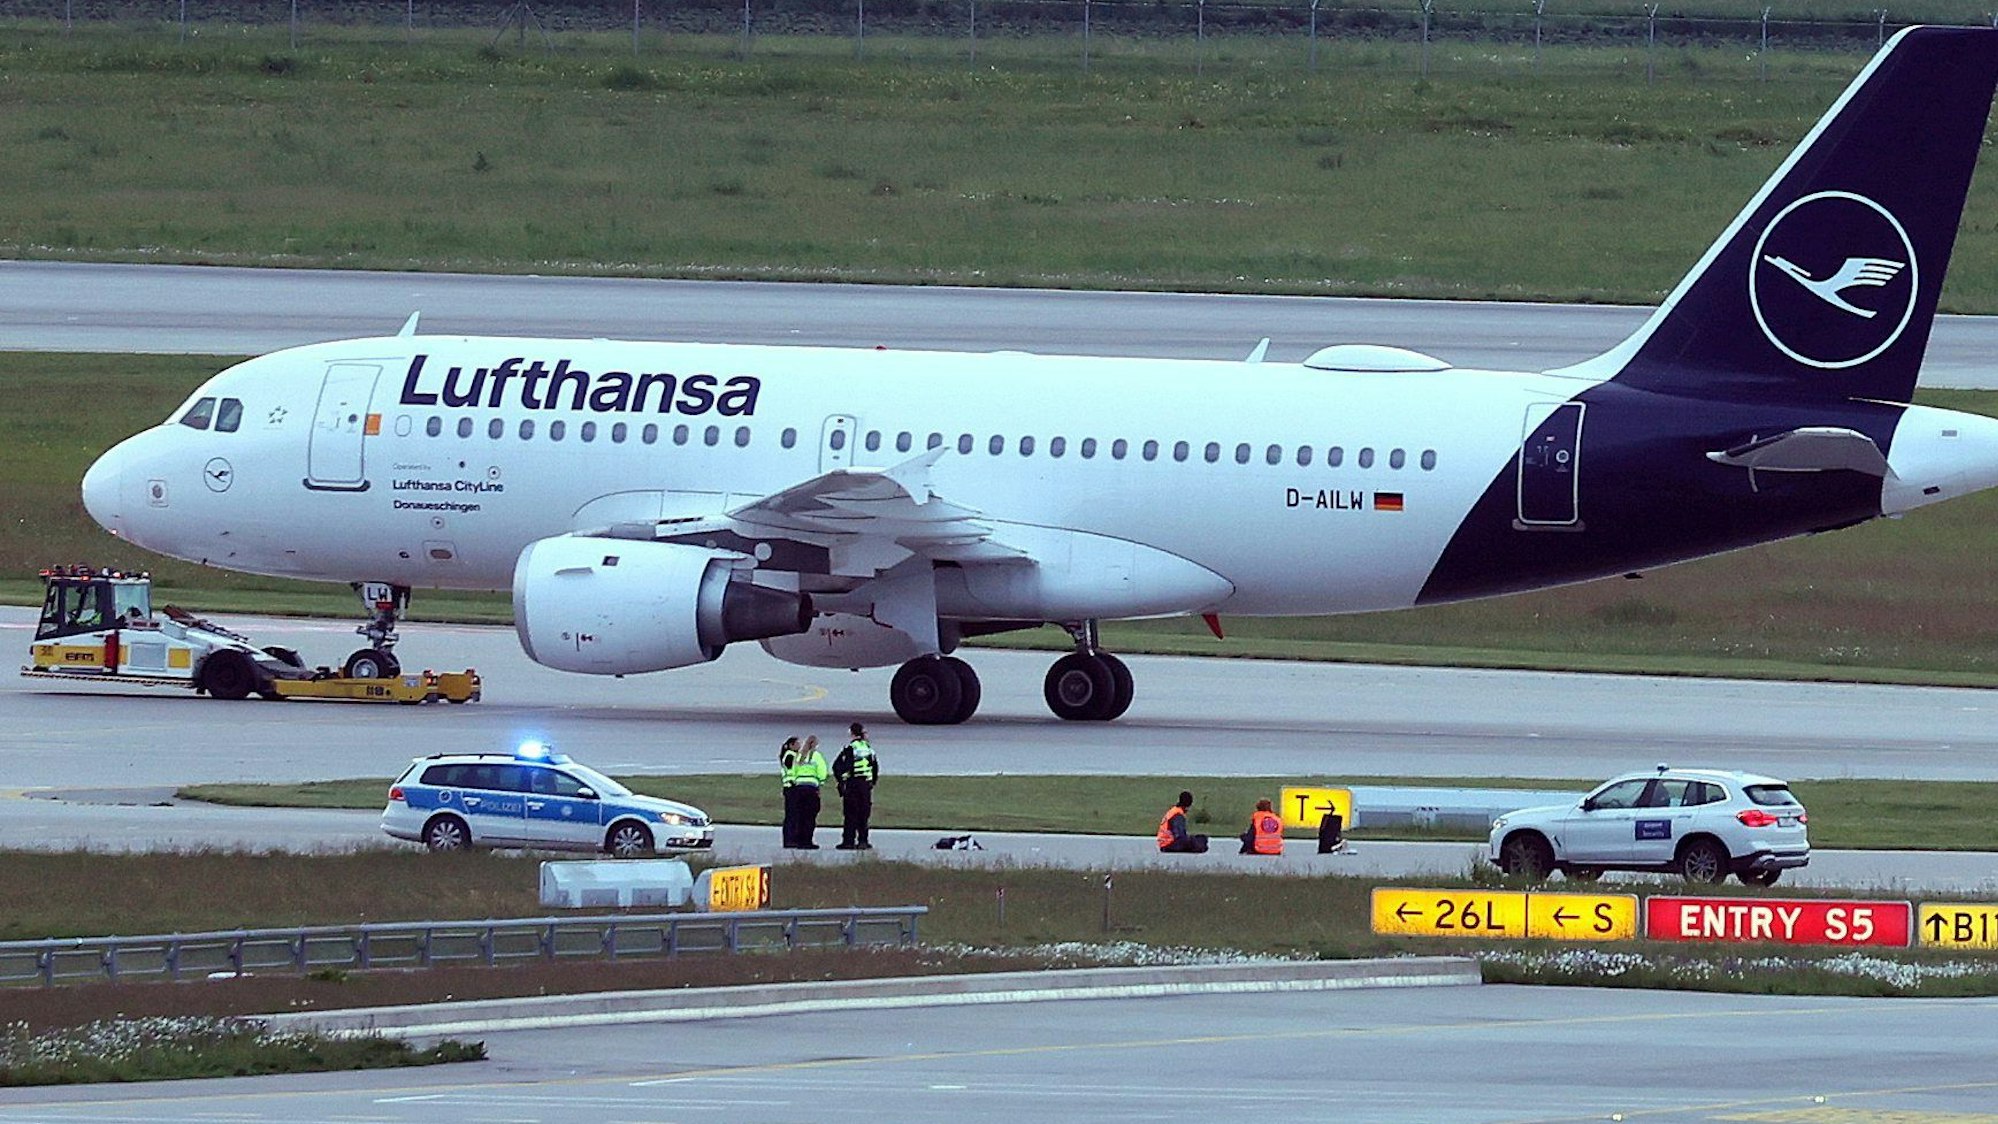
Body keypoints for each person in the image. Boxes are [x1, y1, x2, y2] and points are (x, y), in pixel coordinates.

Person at [832, 721, 878, 851]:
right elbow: (875, 767)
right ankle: (863, 841)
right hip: (865, 785)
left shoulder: (850, 748)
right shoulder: (868, 748)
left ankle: (848, 841)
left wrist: (841, 781)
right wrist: (872, 782)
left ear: (851, 733)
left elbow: (838, 766)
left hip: (853, 784)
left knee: (850, 813)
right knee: (863, 814)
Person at [791, 734, 830, 849]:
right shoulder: (816, 756)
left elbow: (794, 770)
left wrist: (796, 781)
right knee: (810, 816)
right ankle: (807, 841)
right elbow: (822, 771)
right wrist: (821, 782)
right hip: (811, 788)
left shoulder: (799, 756)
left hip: (799, 788)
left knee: (800, 815)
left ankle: (799, 840)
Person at [778, 737, 802, 848]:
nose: (800, 746)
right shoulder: (790, 755)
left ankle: (792, 838)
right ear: (791, 745)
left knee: (793, 815)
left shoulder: (790, 755)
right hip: (791, 787)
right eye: (797, 744)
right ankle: (790, 839)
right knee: (792, 815)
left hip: (791, 788)